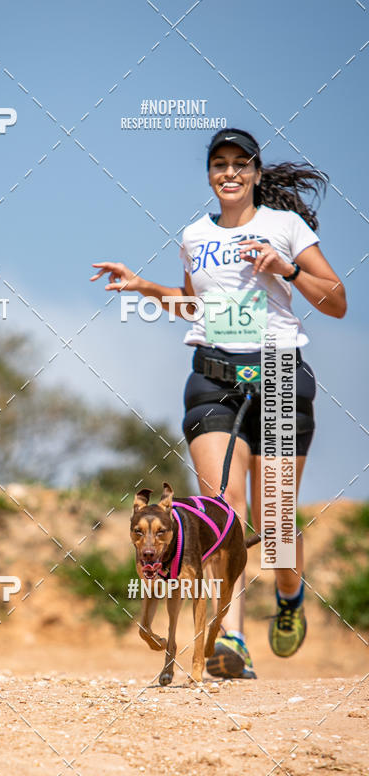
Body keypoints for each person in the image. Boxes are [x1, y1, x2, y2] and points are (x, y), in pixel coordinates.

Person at [90, 127, 346, 679]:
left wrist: (287, 269)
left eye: (240, 163)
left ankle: (288, 592)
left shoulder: (284, 227)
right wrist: (146, 289)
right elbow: (196, 307)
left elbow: (337, 301)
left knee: (274, 522)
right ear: (210, 174)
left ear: (254, 173)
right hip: (211, 379)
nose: (229, 172)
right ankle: (232, 639)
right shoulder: (193, 234)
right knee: (223, 514)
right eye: (219, 163)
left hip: (278, 375)